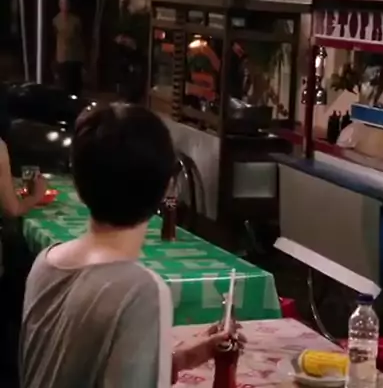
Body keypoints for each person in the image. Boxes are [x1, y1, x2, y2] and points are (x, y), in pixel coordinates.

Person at [19, 103, 238, 388]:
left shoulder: (45, 263)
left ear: (78, 184)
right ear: (167, 187)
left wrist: (186, 357)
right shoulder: (141, 290)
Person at [52, 0, 84, 95]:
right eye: (62, 3)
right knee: (63, 86)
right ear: (59, 5)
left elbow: (80, 37)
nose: (64, 6)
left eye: (66, 3)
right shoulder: (56, 20)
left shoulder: (75, 20)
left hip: (74, 57)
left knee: (75, 86)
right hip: (62, 58)